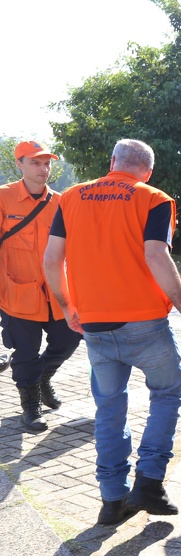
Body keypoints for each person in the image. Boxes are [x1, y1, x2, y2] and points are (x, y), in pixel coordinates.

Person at [43, 139, 181, 526]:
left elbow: (52, 259)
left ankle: (111, 499)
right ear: (147, 171)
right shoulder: (153, 198)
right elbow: (156, 254)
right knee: (167, 393)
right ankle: (149, 483)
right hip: (145, 324)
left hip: (94, 326)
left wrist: (68, 307)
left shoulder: (70, 197)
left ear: (112, 162)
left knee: (109, 408)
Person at [0, 140, 82, 432]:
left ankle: (44, 376)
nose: (43, 169)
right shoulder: (3, 198)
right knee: (25, 353)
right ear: (19, 164)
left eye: (47, 163)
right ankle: (31, 408)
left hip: (57, 293)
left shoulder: (62, 202)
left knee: (70, 338)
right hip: (17, 293)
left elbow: (75, 248)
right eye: (35, 162)